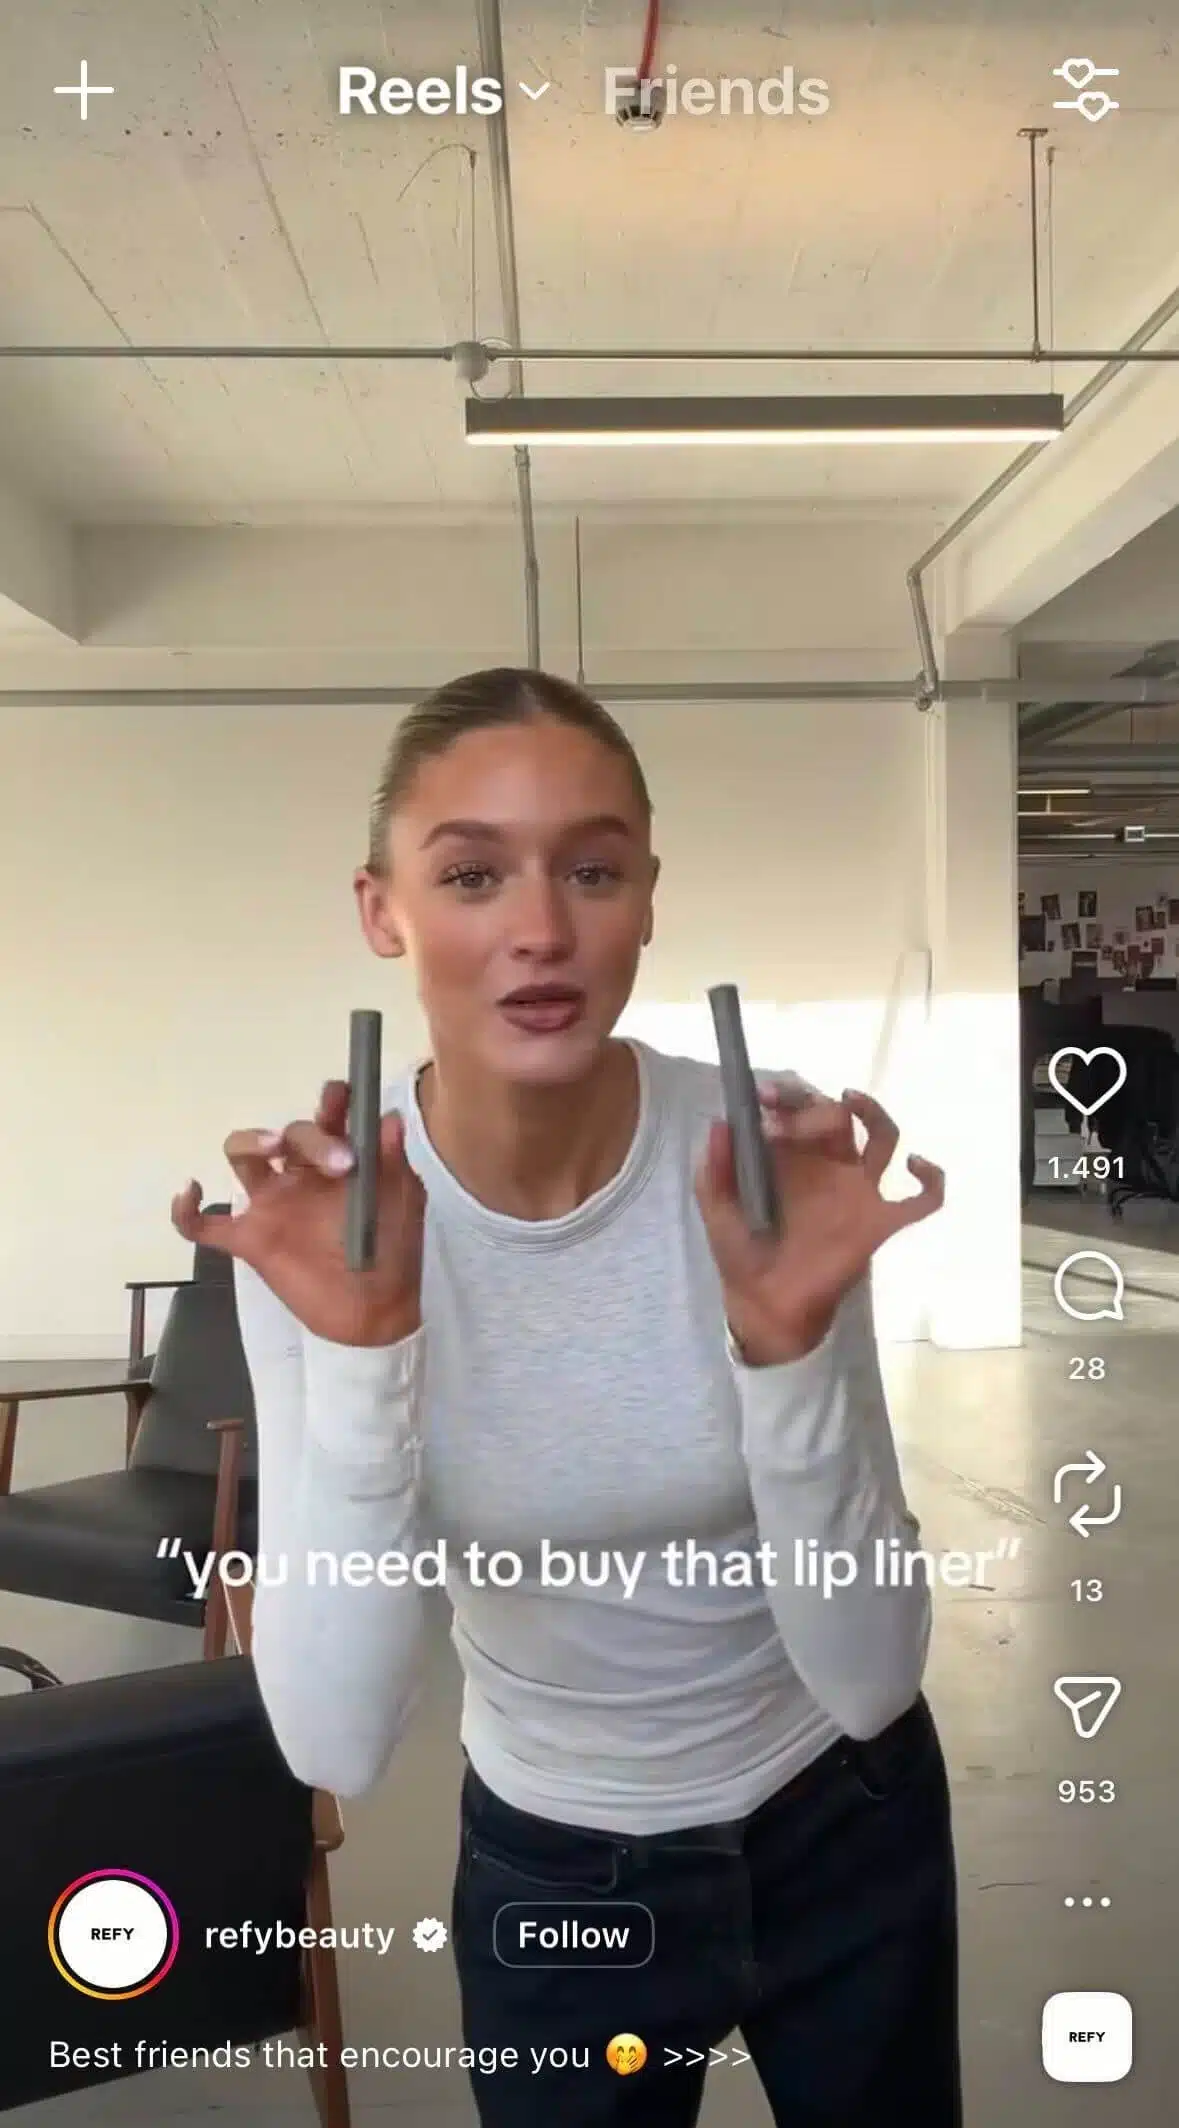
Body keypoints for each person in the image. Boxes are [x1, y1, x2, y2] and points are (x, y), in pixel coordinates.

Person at [173, 666, 955, 2126]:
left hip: (845, 1821)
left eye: (591, 869)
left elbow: (866, 1677)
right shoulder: (327, 1215)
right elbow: (333, 1743)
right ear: (381, 911)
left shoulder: (756, 1151)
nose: (540, 929)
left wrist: (785, 1354)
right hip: (560, 1861)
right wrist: (363, 1353)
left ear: (647, 895)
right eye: (470, 873)